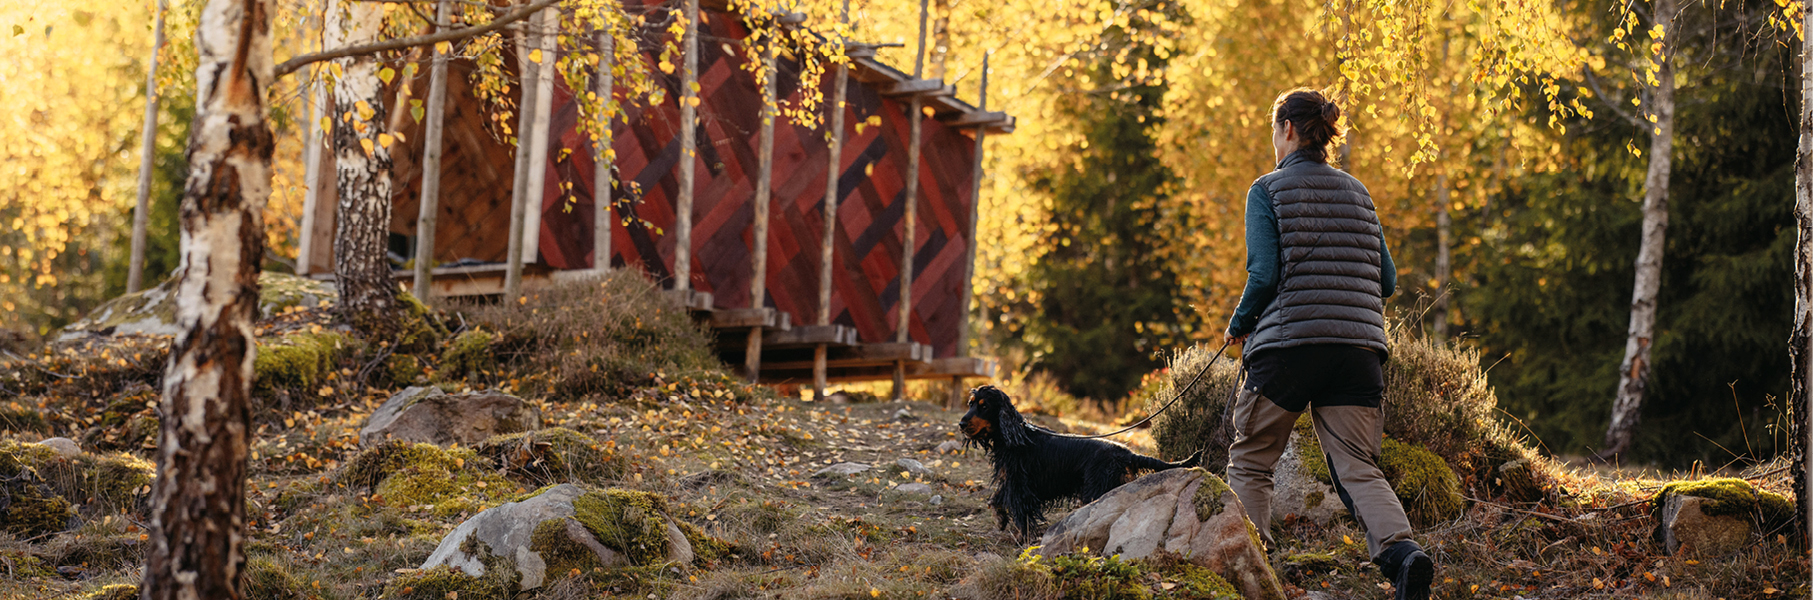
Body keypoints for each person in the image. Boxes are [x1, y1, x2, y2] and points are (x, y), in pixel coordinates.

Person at [1221, 88, 1433, 600]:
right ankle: (1403, 556)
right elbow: (1387, 279)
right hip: (1359, 352)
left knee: (1251, 461)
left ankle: (1250, 575)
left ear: (1288, 129)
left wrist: (1238, 323)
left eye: (1274, 131)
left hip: (1289, 349)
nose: (1274, 141)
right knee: (1358, 465)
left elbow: (1265, 273)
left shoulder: (1266, 190)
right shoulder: (1359, 192)